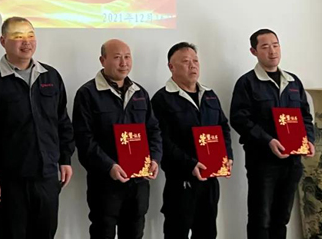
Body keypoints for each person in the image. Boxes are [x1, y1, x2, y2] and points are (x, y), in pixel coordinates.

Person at [0, 16, 75, 239]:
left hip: (46, 176)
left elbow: (62, 121)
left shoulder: (51, 76)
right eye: (18, 36)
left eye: (30, 35)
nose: (26, 42)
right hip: (8, 181)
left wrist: (65, 158)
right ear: (3, 41)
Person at [230, 29, 315, 239]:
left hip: (292, 161)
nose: (272, 51)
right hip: (263, 162)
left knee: (281, 218)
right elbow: (239, 119)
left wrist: (309, 140)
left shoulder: (293, 82)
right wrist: (267, 140)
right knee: (261, 218)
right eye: (265, 47)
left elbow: (305, 116)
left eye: (275, 45)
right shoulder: (247, 83)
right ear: (254, 51)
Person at [73, 39, 161, 239]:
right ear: (102, 60)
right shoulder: (88, 94)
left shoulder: (140, 93)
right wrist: (109, 166)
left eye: (127, 57)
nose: (124, 63)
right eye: (117, 57)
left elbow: (153, 130)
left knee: (135, 232)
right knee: (103, 232)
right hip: (105, 183)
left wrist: (155, 159)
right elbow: (84, 139)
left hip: (138, 183)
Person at [151, 42, 233, 239]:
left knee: (207, 232)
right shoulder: (162, 99)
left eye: (195, 61)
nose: (193, 66)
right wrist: (189, 164)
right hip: (181, 180)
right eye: (186, 62)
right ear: (171, 67)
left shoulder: (209, 96)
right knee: (177, 232)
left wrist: (227, 156)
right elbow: (162, 140)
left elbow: (223, 127)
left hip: (210, 179)